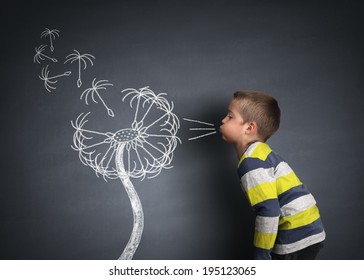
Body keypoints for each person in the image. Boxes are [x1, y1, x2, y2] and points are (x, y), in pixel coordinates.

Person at [219, 90, 326, 260]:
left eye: (230, 116)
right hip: (309, 227)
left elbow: (268, 210)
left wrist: (261, 253)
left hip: (296, 234)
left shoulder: (251, 162)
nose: (223, 120)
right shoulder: (261, 152)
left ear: (249, 127)